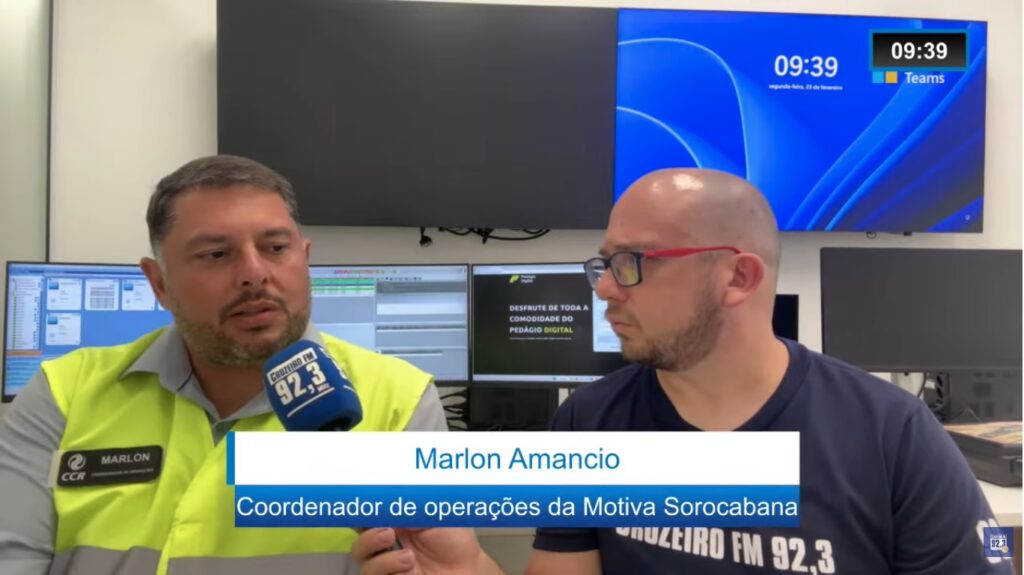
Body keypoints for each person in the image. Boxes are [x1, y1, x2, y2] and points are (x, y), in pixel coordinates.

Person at [354, 168, 1014, 574]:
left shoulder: (892, 436)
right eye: (603, 264)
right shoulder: (589, 423)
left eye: (632, 264)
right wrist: (467, 568)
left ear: (738, 277)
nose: (603, 289)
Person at [0, 155, 454, 575]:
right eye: (216, 254)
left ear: (305, 260)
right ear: (159, 284)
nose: (254, 273)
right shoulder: (64, 392)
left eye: (275, 247)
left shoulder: (401, 401)